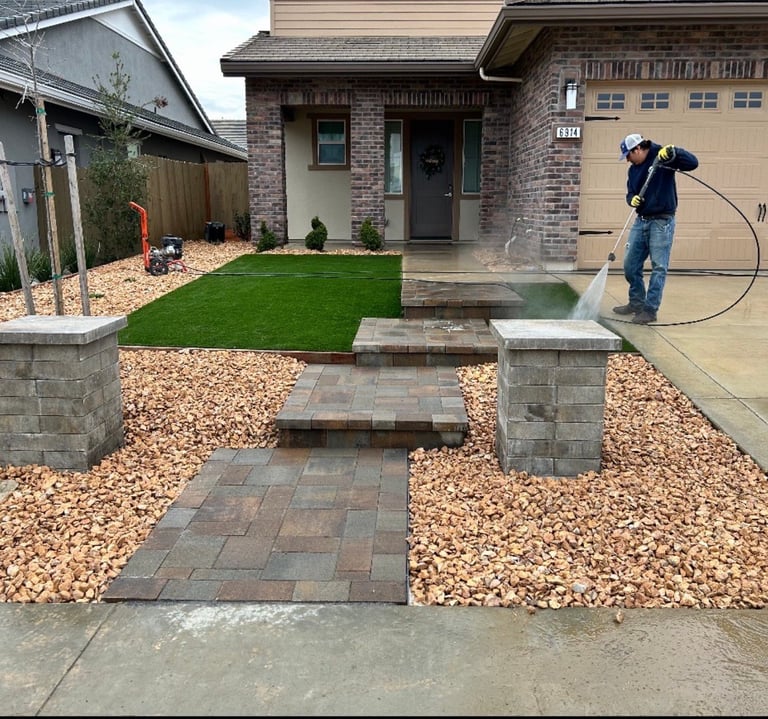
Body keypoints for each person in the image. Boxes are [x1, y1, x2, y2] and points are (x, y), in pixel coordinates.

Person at [613, 133, 698, 324]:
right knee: (630, 265)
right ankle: (636, 303)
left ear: (638, 149)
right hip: (641, 220)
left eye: (628, 155)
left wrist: (675, 151)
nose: (627, 160)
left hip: (662, 222)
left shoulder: (662, 156)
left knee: (659, 267)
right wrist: (631, 200)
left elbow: (693, 163)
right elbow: (630, 192)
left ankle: (650, 310)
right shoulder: (633, 170)